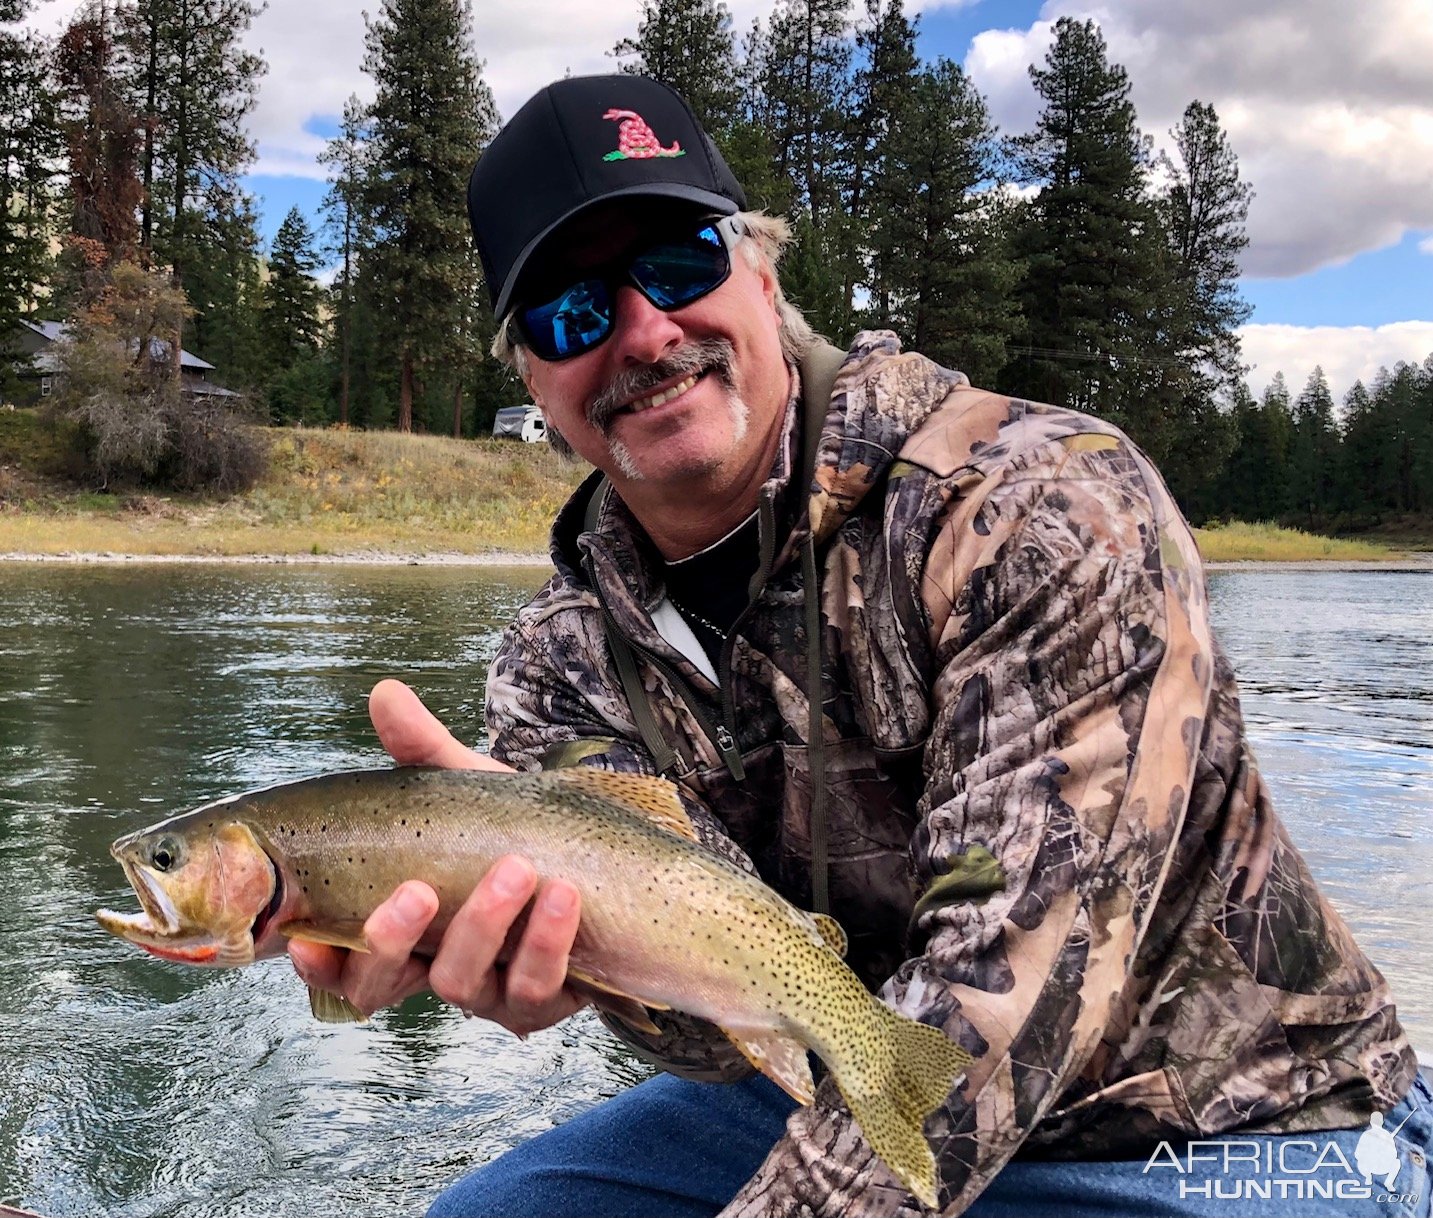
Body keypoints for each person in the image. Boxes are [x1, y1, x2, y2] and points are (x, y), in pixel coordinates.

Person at [289, 75, 1432, 1217]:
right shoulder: (561, 662)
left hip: (1234, 1129)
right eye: (569, 313)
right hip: (844, 1085)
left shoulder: (1039, 504)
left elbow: (1009, 991)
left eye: (680, 263)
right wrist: (576, 958)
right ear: (533, 378)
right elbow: (719, 1029)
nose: (642, 331)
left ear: (764, 269)